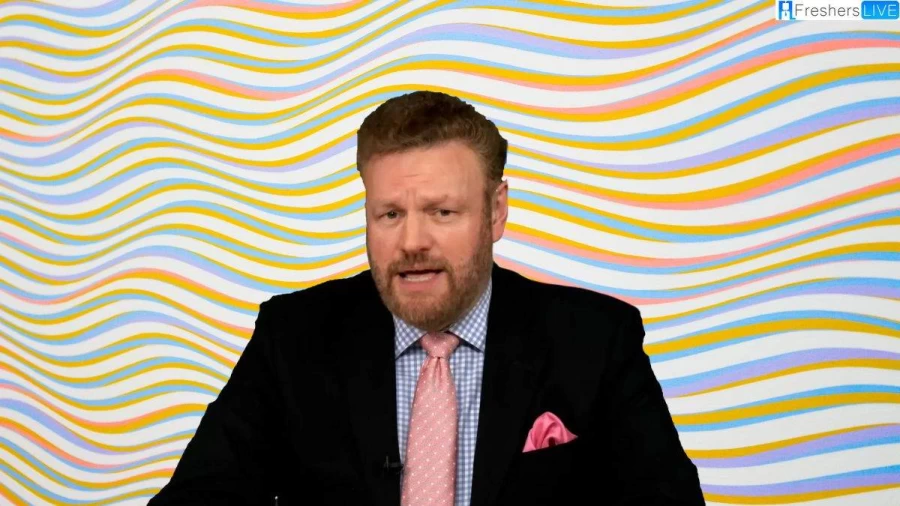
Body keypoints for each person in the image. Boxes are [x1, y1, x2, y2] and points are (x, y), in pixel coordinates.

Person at [149, 91, 705, 505]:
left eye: (442, 212)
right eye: (390, 214)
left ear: (496, 211)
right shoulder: (292, 337)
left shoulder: (596, 341)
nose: (412, 242)